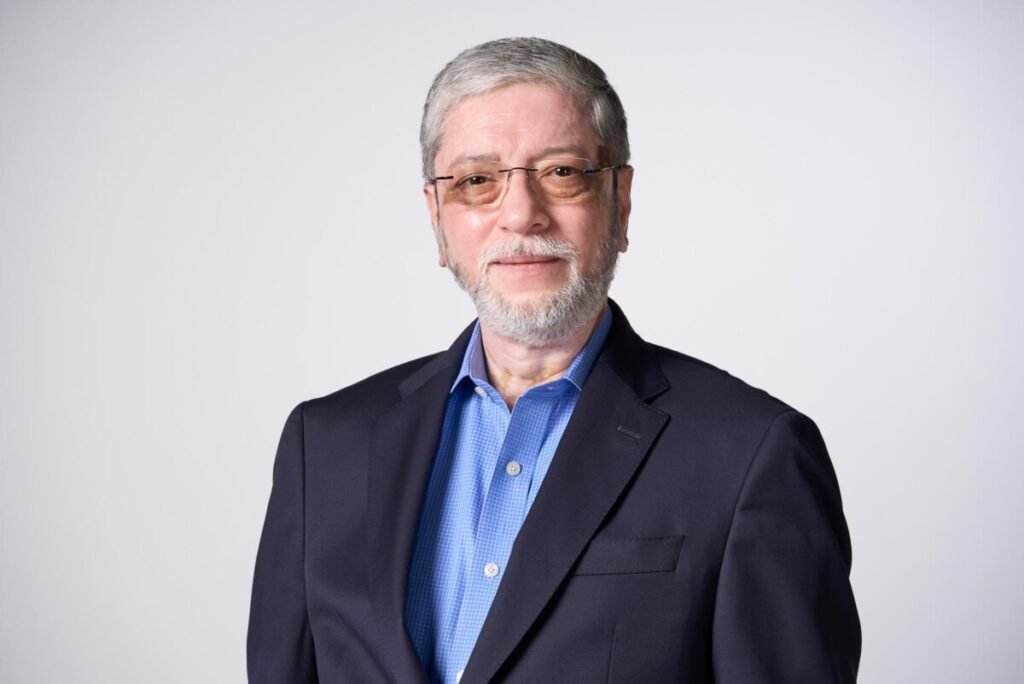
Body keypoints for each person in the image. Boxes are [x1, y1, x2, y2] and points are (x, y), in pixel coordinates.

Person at [247, 37, 861, 683]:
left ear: (620, 201)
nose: (521, 214)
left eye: (562, 172)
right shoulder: (325, 448)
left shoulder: (750, 454)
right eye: (477, 181)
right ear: (436, 218)